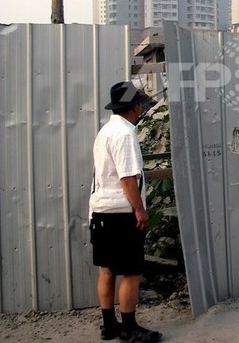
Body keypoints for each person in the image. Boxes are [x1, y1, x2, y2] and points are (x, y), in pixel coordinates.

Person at [89, 81, 162, 342]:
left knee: (107, 270)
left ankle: (109, 325)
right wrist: (140, 210)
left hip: (100, 211)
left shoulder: (106, 131)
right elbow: (127, 178)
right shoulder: (126, 134)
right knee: (132, 272)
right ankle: (129, 329)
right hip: (121, 213)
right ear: (134, 107)